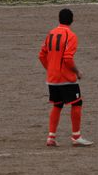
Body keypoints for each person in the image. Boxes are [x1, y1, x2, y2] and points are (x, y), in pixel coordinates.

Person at [38, 8, 92, 147]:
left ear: (59, 19)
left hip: (52, 78)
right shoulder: (71, 35)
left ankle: (51, 137)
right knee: (77, 103)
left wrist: (50, 69)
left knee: (57, 104)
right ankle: (76, 136)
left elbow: (41, 55)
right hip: (66, 78)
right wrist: (77, 72)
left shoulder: (51, 33)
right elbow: (67, 58)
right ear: (72, 20)